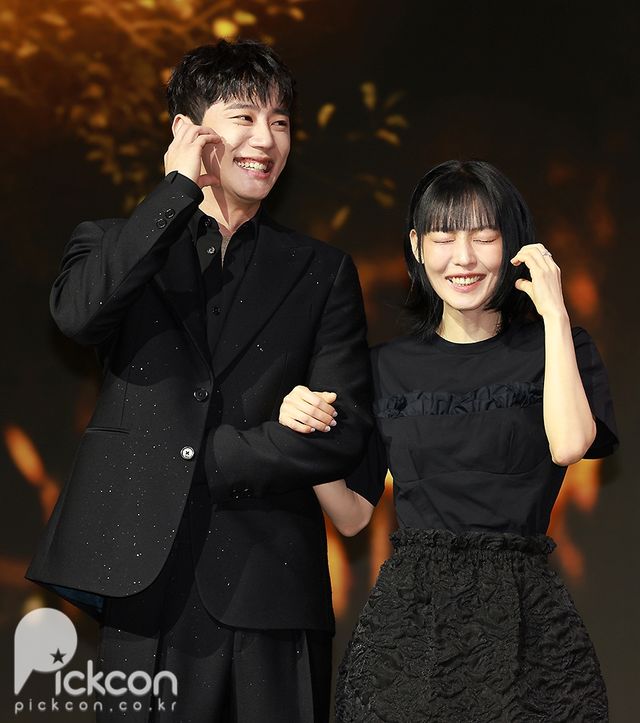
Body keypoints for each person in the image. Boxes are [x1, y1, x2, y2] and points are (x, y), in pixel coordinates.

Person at [26, 40, 373, 722]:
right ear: (187, 131)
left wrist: (205, 456)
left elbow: (343, 431)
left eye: (280, 122)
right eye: (244, 117)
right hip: (142, 584)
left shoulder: (321, 270)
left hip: (273, 584)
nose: (266, 139)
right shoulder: (114, 244)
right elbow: (78, 316)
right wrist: (176, 192)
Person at [279, 160, 619, 721]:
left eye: (484, 237)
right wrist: (304, 439)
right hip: (408, 632)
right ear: (417, 247)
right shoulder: (385, 368)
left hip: (526, 625)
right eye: (443, 238)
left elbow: (568, 445)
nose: (463, 259)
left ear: (513, 245)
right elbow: (352, 516)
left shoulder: (561, 347)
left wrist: (555, 316)